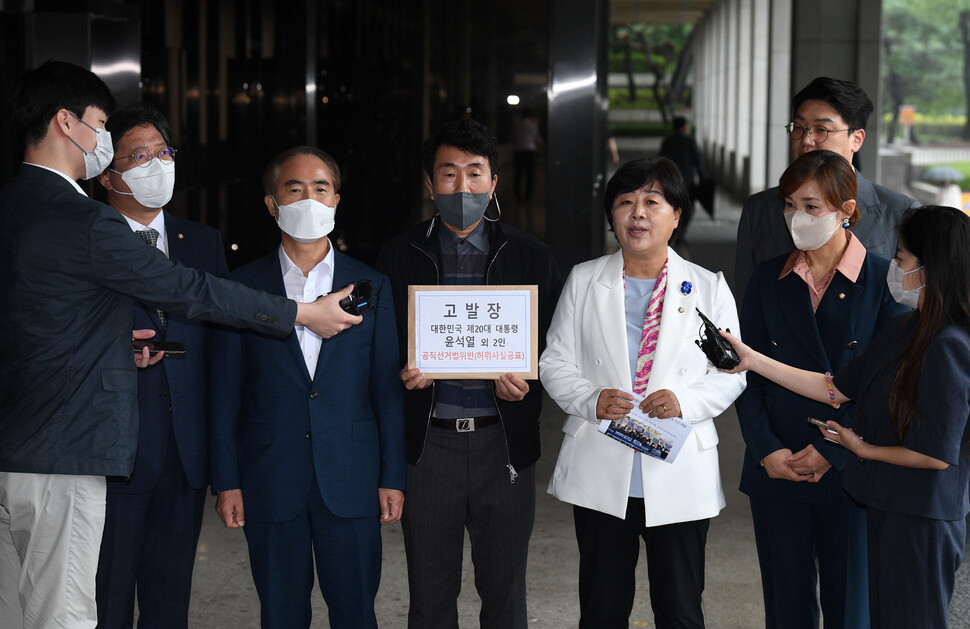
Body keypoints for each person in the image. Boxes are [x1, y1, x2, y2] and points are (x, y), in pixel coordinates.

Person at [0, 61, 358, 629]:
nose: (103, 140)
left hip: (21, 448)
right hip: (67, 453)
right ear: (67, 123)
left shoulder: (15, 205)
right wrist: (302, 313)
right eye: (100, 125)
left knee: (23, 609)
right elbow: (187, 290)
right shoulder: (85, 221)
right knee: (64, 614)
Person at [721, 205, 970, 628]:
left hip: (922, 516)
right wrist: (755, 361)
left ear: (931, 269)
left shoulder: (948, 343)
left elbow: (935, 456)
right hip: (887, 505)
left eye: (903, 260)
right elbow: (834, 388)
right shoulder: (906, 328)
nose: (895, 268)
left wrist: (861, 448)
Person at [539, 157, 746, 629]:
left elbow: (733, 373)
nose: (638, 214)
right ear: (611, 215)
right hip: (602, 463)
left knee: (680, 610)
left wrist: (686, 403)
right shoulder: (584, 280)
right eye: (625, 202)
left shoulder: (708, 287)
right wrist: (590, 399)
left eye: (652, 202)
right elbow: (555, 361)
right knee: (602, 608)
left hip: (678, 467)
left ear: (676, 215)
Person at [208, 146, 406, 629]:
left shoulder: (372, 286)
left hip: (352, 477)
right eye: (294, 189)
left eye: (321, 188)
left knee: (357, 611)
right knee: (280, 612)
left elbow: (386, 390)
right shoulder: (241, 287)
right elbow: (225, 393)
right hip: (270, 476)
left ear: (336, 201)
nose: (309, 199)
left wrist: (392, 475)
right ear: (272, 205)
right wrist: (227, 480)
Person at [375, 118, 562, 629]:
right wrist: (402, 372)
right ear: (430, 183)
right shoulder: (398, 255)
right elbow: (379, 346)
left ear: (494, 182)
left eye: (475, 173)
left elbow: (554, 349)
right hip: (427, 448)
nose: (462, 186)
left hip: (501, 445)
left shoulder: (530, 255)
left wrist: (530, 382)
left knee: (504, 594)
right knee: (430, 596)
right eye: (449, 173)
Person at [737, 150, 908, 629]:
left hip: (851, 463)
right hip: (777, 465)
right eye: (790, 205)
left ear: (846, 210)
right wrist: (767, 448)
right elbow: (744, 373)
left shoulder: (884, 280)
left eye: (812, 207)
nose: (797, 217)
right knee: (785, 607)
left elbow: (889, 385)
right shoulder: (769, 278)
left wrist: (830, 450)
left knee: (850, 608)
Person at [92, 103, 222, 629]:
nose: (156, 164)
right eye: (139, 156)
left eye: (162, 152)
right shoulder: (88, 241)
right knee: (108, 596)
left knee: (171, 599)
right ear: (108, 174)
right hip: (112, 450)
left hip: (185, 449)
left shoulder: (204, 242)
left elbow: (220, 348)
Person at [735, 77, 919, 303]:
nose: (806, 141)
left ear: (856, 139)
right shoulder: (760, 209)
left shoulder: (899, 213)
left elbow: (910, 305)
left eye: (821, 129)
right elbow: (746, 299)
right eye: (799, 128)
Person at [660, 116, 710, 217]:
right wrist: (703, 178)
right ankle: (681, 230)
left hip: (671, 180)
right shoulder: (690, 141)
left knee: (673, 205)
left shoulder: (667, 141)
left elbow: (661, 161)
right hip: (687, 181)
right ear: (684, 127)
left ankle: (675, 229)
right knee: (688, 207)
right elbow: (698, 161)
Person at [513, 108, 542, 203]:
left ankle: (517, 195)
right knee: (530, 175)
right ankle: (528, 196)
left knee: (518, 174)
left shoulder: (517, 125)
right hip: (530, 151)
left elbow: (514, 137)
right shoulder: (533, 125)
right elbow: (537, 139)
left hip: (519, 151)